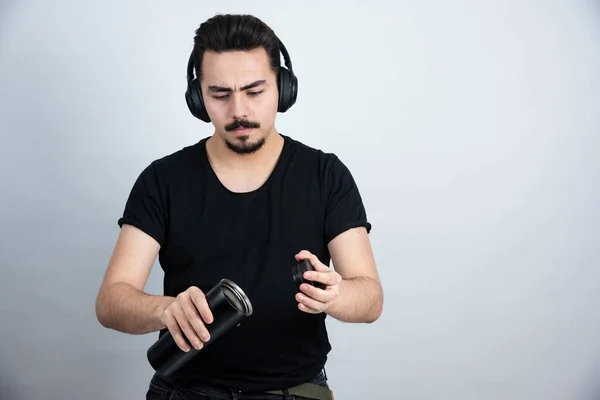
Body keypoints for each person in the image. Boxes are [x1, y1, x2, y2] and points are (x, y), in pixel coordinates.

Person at [95, 13, 383, 400]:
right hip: (185, 389)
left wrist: (337, 296)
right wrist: (164, 310)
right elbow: (111, 300)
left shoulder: (325, 175)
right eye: (220, 94)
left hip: (297, 391)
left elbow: (371, 299)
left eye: (254, 91)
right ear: (198, 98)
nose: (239, 111)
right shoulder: (162, 180)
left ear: (283, 88)